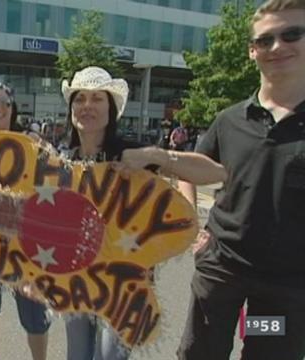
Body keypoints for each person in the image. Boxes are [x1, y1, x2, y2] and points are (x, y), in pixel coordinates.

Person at [59, 66, 229, 360]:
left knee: (111, 357)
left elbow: (216, 172)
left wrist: (157, 156)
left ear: (111, 109)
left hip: (127, 280)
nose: (87, 106)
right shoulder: (62, 159)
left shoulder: (133, 153)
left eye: (97, 98)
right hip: (76, 277)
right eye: (80, 98)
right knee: (78, 356)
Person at [177, 1, 305, 359]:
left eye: (292, 34)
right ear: (252, 51)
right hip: (221, 273)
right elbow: (188, 170)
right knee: (201, 352)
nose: (277, 46)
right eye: (265, 40)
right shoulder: (229, 120)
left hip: (283, 288)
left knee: (265, 352)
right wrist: (192, 227)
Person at [0, 80, 51, 360]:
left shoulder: (31, 142)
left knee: (34, 314)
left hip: (27, 244)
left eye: (5, 102)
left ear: (13, 108)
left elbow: (51, 185)